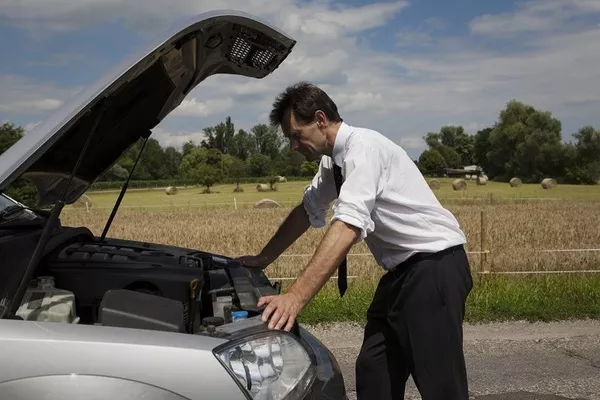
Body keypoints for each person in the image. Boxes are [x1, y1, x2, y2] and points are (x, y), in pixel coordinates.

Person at [236, 81, 473, 400]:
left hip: (434, 268)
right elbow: (308, 210)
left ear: (320, 120)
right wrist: (264, 258)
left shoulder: (363, 149)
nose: (294, 145)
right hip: (401, 275)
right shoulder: (332, 161)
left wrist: (294, 298)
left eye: (295, 135)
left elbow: (347, 225)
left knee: (441, 385)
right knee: (375, 372)